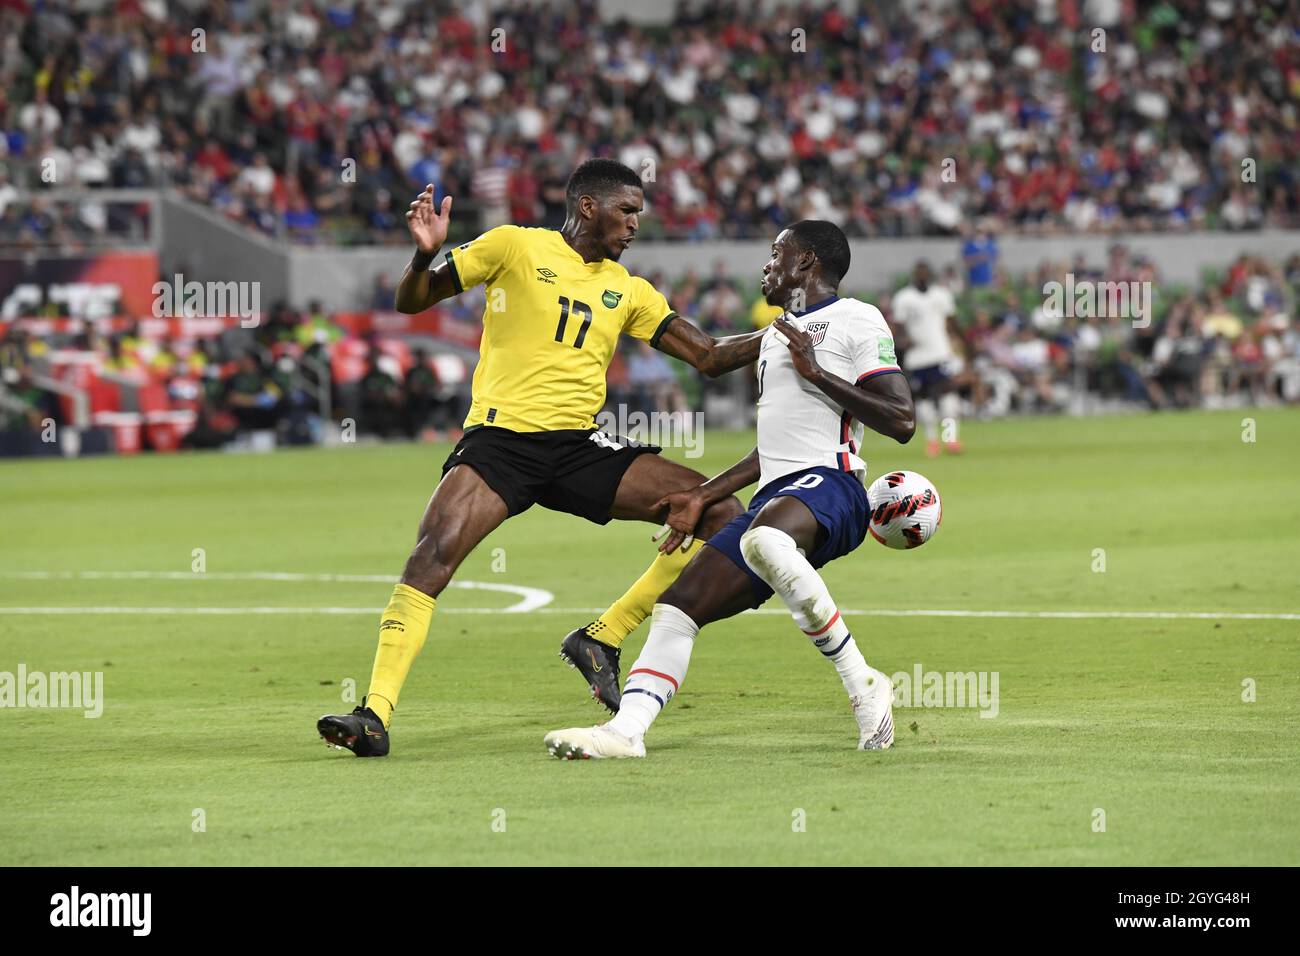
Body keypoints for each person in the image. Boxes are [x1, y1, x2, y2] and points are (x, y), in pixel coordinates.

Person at [317, 159, 766, 756]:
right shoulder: (513, 246)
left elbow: (708, 355)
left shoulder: (628, 289)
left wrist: (787, 333)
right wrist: (424, 255)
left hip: (578, 446)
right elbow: (413, 300)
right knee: (431, 558)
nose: (636, 224)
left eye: (639, 213)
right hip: (500, 442)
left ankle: (602, 637)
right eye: (627, 211)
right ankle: (374, 715)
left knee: (718, 510)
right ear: (587, 206)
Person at [544, 220, 916, 759]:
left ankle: (863, 683)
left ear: (807, 261)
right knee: (678, 606)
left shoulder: (857, 318)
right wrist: (704, 494)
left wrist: (817, 374)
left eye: (776, 253)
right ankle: (626, 731)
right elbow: (775, 446)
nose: (766, 265)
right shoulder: (773, 337)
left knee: (765, 542)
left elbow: (902, 419)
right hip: (776, 497)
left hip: (834, 487)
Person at [890, 261, 965, 456]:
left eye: (925, 272)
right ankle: (932, 441)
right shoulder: (903, 298)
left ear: (930, 274)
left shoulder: (941, 295)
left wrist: (963, 344)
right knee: (923, 399)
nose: (922, 275)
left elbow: (952, 322)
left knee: (948, 394)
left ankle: (951, 439)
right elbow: (897, 327)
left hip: (941, 354)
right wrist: (902, 341)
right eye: (919, 272)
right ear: (915, 275)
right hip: (917, 358)